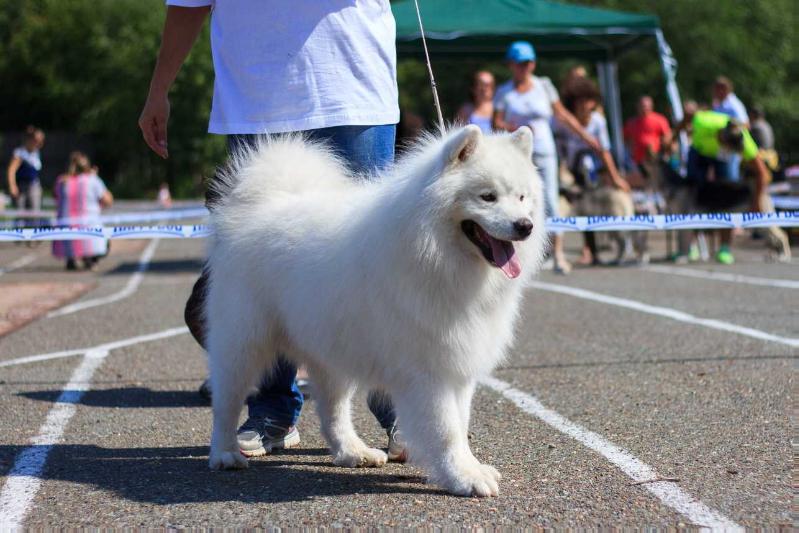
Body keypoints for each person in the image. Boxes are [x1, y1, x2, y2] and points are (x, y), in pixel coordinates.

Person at [139, 2, 404, 460]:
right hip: (258, 99)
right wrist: (159, 88)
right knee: (266, 280)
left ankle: (398, 409)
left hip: (355, 91)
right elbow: (187, 3)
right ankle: (273, 410)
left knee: (373, 276)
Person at [493, 41, 601, 274]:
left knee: (550, 200)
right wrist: (511, 125)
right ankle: (523, 252)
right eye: (520, 63)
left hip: (545, 150)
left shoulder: (544, 86)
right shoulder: (504, 92)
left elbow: (562, 115)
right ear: (511, 65)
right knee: (519, 199)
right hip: (517, 154)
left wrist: (586, 136)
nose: (525, 67)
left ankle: (558, 253)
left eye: (528, 62)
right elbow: (496, 122)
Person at [685, 109, 790, 263]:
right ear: (721, 137)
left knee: (735, 203)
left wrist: (757, 200)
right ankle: (690, 245)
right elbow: (688, 115)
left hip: (732, 172)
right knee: (691, 195)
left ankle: (725, 248)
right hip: (700, 152)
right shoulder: (702, 122)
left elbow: (763, 173)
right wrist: (673, 136)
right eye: (729, 148)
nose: (730, 151)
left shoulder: (746, 143)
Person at [556, 77, 633, 265]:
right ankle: (557, 253)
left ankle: (616, 249)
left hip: (594, 175)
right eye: (580, 102)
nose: (585, 106)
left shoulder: (598, 121)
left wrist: (615, 178)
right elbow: (557, 152)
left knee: (608, 207)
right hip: (570, 176)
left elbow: (604, 151)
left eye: (588, 101)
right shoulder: (562, 123)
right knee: (558, 211)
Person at [52, 152, 113, 271]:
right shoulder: (93, 180)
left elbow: (57, 199)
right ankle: (90, 258)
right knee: (101, 233)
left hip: (65, 236)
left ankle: (71, 258)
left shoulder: (61, 181)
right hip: (89, 232)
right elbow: (108, 201)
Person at [711, 76, 749, 184]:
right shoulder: (718, 103)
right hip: (721, 147)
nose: (714, 92)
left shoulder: (734, 105)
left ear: (724, 89)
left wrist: (729, 136)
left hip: (731, 147)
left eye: (716, 89)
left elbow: (745, 124)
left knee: (730, 179)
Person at [623, 96, 672, 177]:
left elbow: (668, 137)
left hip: (655, 159)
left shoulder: (659, 120)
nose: (644, 108)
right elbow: (625, 138)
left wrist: (664, 149)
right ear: (638, 107)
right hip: (637, 161)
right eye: (642, 106)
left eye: (647, 106)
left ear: (651, 106)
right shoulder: (631, 122)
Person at [6, 126, 45, 216]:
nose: (40, 143)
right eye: (37, 140)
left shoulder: (36, 152)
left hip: (34, 185)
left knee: (35, 214)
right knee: (21, 213)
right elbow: (11, 170)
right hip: (21, 187)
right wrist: (12, 186)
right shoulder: (20, 153)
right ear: (30, 139)